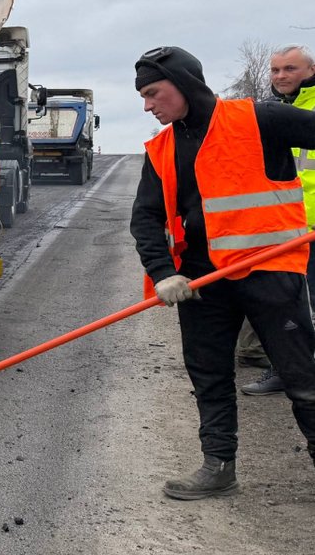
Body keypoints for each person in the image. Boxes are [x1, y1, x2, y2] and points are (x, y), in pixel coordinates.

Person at [130, 46, 315, 500]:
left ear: (183, 83)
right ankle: (218, 466)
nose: (147, 105)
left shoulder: (259, 118)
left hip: (269, 272)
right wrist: (162, 273)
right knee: (208, 374)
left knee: (302, 377)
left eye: (153, 93)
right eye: (143, 97)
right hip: (200, 285)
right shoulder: (162, 149)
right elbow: (145, 218)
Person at [241, 45, 315, 395]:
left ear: (310, 71)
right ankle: (284, 371)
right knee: (286, 307)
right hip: (283, 229)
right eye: (275, 70)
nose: (281, 76)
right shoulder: (269, 112)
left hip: (310, 230)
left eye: (290, 69)